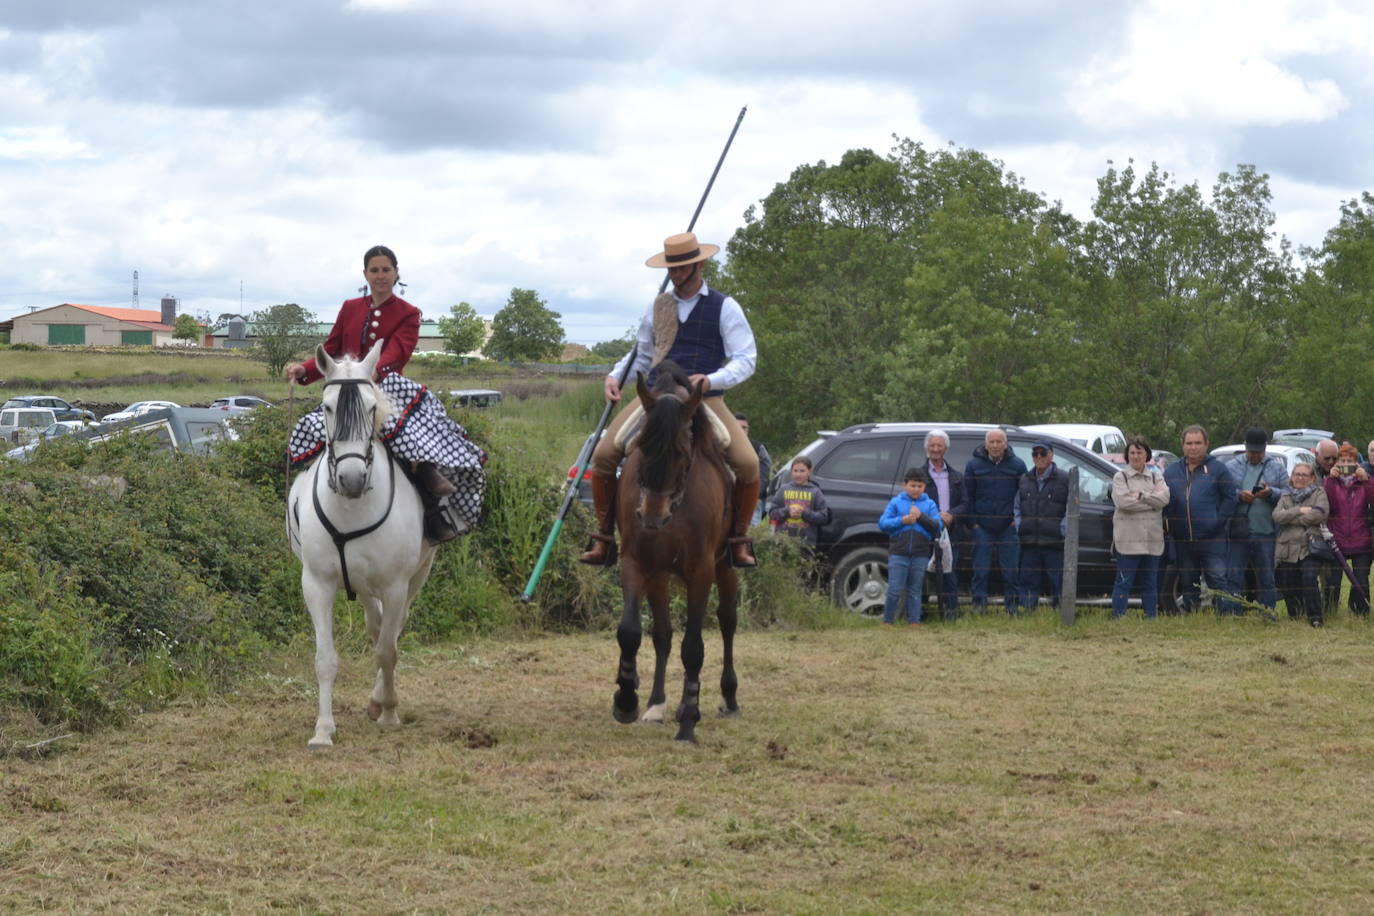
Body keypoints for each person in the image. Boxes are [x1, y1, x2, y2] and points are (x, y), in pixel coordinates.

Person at [581, 232, 760, 567]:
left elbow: (746, 359)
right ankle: (604, 536)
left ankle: (738, 540)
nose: (676, 275)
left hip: (702, 398)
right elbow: (642, 354)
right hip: (657, 394)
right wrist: (615, 376)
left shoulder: (725, 307)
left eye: (682, 269)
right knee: (604, 455)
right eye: (672, 269)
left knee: (748, 464)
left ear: (699, 265)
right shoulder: (658, 306)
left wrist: (712, 380)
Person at [284, 245, 485, 543]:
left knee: (408, 430)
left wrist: (374, 370)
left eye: (386, 270)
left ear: (396, 273)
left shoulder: (409, 314)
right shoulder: (350, 307)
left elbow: (399, 351)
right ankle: (304, 506)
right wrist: (305, 370)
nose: (380, 276)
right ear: (365, 274)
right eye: (374, 270)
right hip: (350, 387)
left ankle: (430, 499)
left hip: (388, 385)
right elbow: (333, 348)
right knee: (316, 427)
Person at [1163, 425, 1236, 614]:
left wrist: (1217, 522)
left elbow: (1230, 498)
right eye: (1189, 443)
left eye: (1197, 443)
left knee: (1218, 580)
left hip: (1212, 539)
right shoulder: (1171, 472)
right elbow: (1164, 500)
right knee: (1188, 582)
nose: (1193, 447)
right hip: (1183, 539)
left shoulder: (1219, 469)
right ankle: (1192, 617)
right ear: (1182, 445)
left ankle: (1225, 617)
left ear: (1206, 444)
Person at [1222, 427, 1289, 615]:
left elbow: (1289, 494)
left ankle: (1267, 613)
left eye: (1259, 452)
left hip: (1266, 532)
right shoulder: (1231, 466)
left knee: (1266, 577)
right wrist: (1239, 496)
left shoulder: (1276, 467)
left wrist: (1270, 493)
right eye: (1252, 452)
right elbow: (1223, 493)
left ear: (1265, 448)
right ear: (1245, 447)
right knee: (1233, 576)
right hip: (1239, 532)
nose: (1255, 456)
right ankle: (1231, 612)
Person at [964, 428, 1027, 614]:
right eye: (992, 442)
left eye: (999, 441)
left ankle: (1012, 608)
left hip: (1008, 527)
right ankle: (979, 607)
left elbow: (1024, 494)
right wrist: (973, 523)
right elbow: (967, 495)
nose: (995, 445)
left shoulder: (1017, 465)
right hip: (982, 527)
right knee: (981, 571)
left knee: (1010, 572)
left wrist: (1016, 520)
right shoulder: (974, 465)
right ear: (986, 444)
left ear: (1006, 444)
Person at [1110, 435, 1170, 619]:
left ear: (1147, 455)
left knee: (1150, 582)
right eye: (1132, 453)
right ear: (1127, 456)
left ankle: (1151, 616)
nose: (1136, 456)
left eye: (1139, 452)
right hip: (1128, 540)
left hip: (1152, 540)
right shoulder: (1120, 478)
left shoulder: (1156, 477)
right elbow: (1123, 503)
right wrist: (1152, 500)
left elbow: (1164, 499)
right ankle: (1118, 616)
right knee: (1123, 581)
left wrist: (1141, 495)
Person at [879, 468, 943, 626]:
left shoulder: (929, 504)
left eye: (919, 486)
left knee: (915, 590)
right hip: (898, 552)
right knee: (894, 589)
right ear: (905, 485)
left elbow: (938, 527)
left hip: (920, 553)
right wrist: (902, 521)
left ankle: (914, 621)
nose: (916, 489)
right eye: (913, 485)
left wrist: (921, 516)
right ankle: (888, 621)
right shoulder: (896, 502)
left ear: (924, 487)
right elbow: (883, 524)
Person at [1272, 463, 1329, 626]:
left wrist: (1291, 518)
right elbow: (1276, 516)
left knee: (1309, 578)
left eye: (1304, 475)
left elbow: (1320, 514)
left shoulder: (1319, 493)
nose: (1300, 478)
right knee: (1288, 581)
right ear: (1291, 477)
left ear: (1312, 478)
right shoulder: (1285, 496)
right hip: (1287, 547)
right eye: (1297, 474)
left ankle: (1315, 617)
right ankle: (1295, 614)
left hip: (1310, 545)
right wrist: (1299, 510)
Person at [1017, 440, 1070, 610]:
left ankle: (1060, 611)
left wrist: (1063, 529)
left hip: (1054, 542)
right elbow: (1017, 506)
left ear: (1051, 455)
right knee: (1028, 581)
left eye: (1043, 453)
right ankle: (1027, 612)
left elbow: (1072, 507)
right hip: (1029, 541)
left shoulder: (1064, 479)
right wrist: (1020, 526)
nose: (1039, 457)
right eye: (1035, 454)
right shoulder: (1024, 479)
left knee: (1058, 581)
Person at [1323, 443, 1374, 617]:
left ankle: (1361, 612)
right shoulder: (1330, 481)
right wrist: (1330, 480)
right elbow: (1328, 504)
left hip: (1361, 537)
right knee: (1333, 580)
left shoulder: (1363, 480)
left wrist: (1366, 479)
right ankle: (1329, 612)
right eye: (1342, 461)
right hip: (1337, 538)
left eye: (1349, 461)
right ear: (1336, 463)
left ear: (1356, 464)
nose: (1345, 464)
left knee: (1361, 579)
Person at [921, 429, 965, 616]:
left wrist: (952, 515)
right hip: (925, 529)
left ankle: (951, 610)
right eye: (932, 445)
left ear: (945, 448)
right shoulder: (919, 475)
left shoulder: (956, 476)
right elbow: (913, 501)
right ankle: (921, 610)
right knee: (921, 571)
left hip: (950, 530)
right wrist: (932, 516)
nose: (936, 449)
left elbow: (965, 503)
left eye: (939, 445)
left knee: (950, 571)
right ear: (927, 448)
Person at [768, 456, 831, 546]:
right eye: (795, 471)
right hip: (783, 541)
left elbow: (823, 517)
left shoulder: (815, 492)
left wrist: (804, 513)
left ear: (809, 471)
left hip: (806, 543)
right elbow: (772, 513)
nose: (798, 474)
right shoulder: (783, 489)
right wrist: (787, 511)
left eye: (802, 471)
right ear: (791, 472)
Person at [1313, 437, 1343, 613]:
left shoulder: (1343, 472)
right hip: (1314, 528)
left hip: (1336, 530)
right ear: (1317, 455)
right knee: (1312, 573)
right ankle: (1312, 607)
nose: (1331, 462)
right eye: (1327, 458)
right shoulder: (1309, 473)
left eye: (1334, 458)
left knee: (1332, 574)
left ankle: (1331, 609)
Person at [735, 412, 771, 525]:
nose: (741, 430)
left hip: (753, 498)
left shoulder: (757, 447)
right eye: (737, 427)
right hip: (728, 498)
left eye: (744, 427)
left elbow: (766, 470)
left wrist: (757, 493)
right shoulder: (722, 446)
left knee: (750, 531)